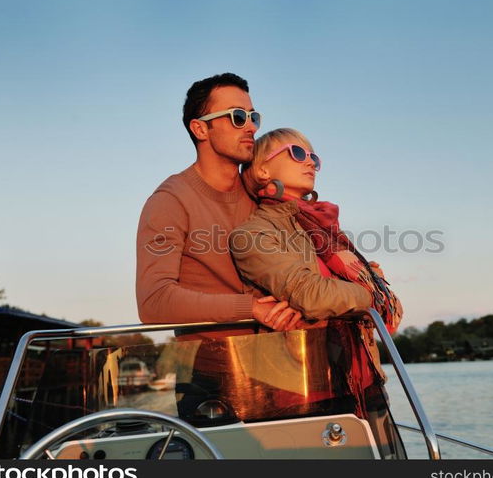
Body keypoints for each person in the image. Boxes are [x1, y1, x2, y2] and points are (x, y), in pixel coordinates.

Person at [229, 127, 406, 457]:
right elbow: (310, 295)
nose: (309, 162)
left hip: (364, 379)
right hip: (304, 391)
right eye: (297, 153)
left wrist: (360, 290)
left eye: (314, 157)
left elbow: (377, 298)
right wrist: (368, 294)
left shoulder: (323, 229)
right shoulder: (253, 233)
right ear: (263, 169)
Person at [135, 73, 301, 330]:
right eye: (237, 117)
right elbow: (154, 301)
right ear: (200, 128)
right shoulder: (170, 200)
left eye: (253, 117)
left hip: (285, 357)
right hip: (215, 363)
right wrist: (251, 308)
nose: (251, 127)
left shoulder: (261, 194)